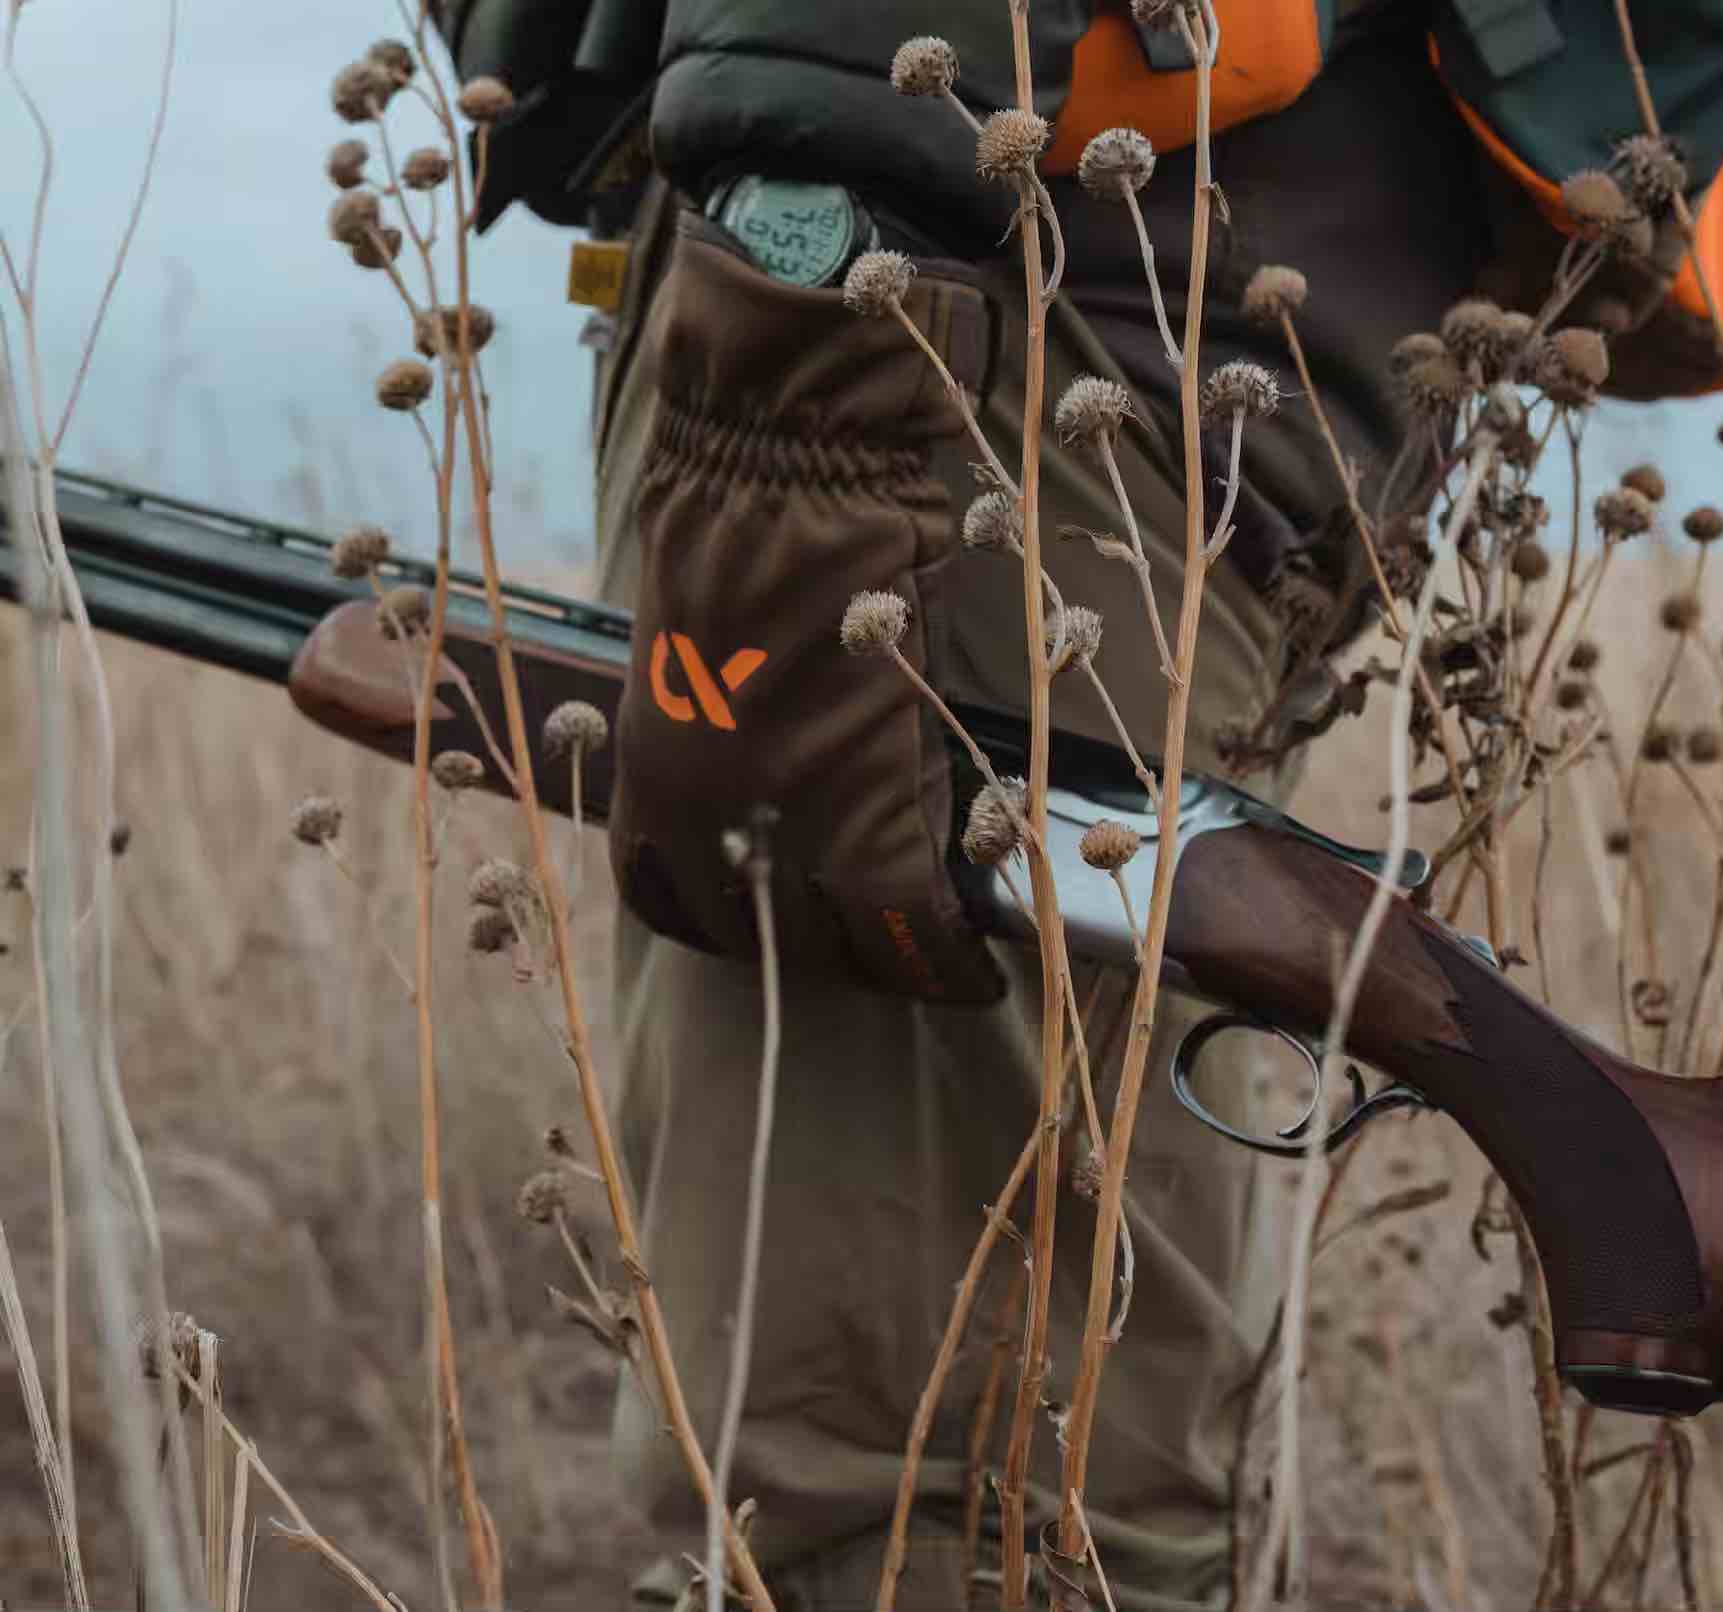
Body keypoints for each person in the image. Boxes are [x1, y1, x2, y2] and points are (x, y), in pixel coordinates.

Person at [427, 1, 1491, 1606]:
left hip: (951, 330)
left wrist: (803, 413)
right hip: (1173, 333)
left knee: (900, 1489)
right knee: (1050, 1472)